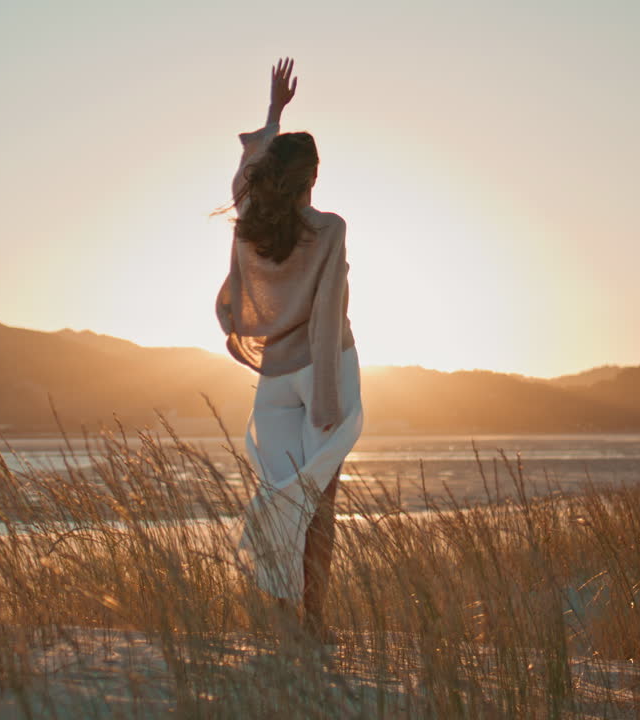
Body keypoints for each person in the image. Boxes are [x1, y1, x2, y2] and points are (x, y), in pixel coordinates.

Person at [215, 58, 364, 643]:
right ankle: (315, 623)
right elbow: (327, 318)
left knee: (280, 501)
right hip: (323, 373)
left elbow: (247, 173)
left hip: (275, 378)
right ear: (313, 179)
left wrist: (274, 113)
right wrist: (327, 397)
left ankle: (281, 621)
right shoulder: (328, 229)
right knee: (317, 504)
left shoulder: (251, 219)